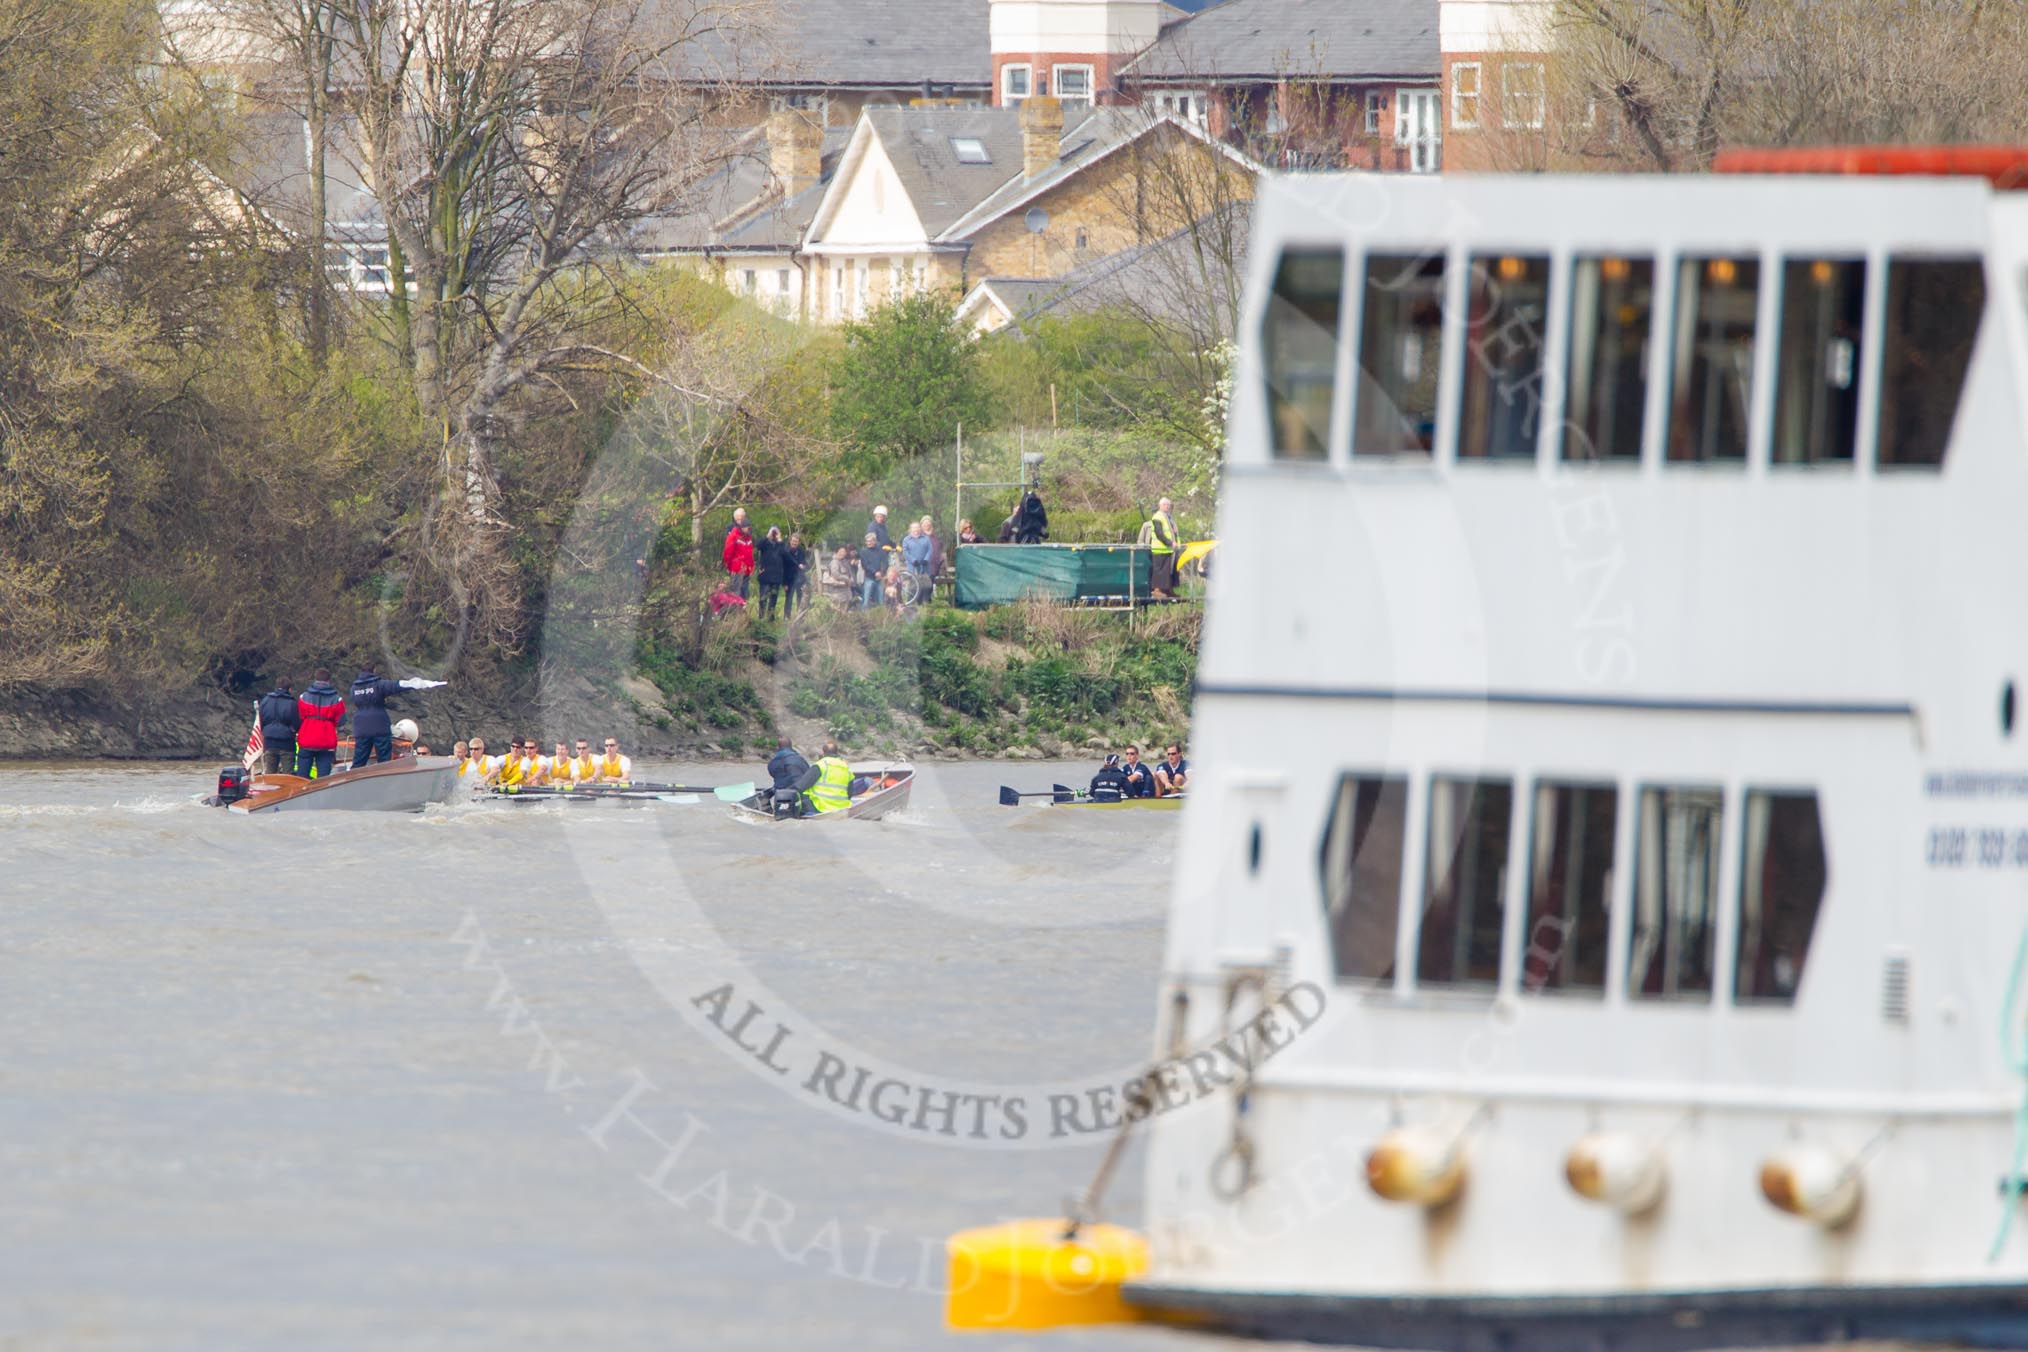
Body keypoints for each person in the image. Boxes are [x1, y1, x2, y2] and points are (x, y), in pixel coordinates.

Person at [349, 663, 407, 767]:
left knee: (359, 758)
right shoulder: (379, 684)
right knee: (384, 759)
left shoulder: (354, 688)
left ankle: (354, 778)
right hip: (379, 725)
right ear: (374, 670)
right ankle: (384, 780)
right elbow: (396, 686)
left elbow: (356, 701)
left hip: (361, 726)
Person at [295, 669, 344, 779]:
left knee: (301, 777)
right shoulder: (336, 699)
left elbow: (299, 717)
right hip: (326, 740)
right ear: (329, 680)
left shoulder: (304, 697)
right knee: (323, 779)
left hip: (307, 738)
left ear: (315, 679)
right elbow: (341, 720)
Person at [257, 677, 300, 775]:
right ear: (289, 689)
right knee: (287, 775)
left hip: (269, 741)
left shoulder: (266, 700)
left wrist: (265, 730)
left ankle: (269, 790)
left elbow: (261, 719)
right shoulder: (292, 703)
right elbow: (297, 722)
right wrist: (293, 730)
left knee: (270, 773)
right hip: (287, 742)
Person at [803, 739, 853, 815]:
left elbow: (802, 785)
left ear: (823, 753)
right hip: (842, 807)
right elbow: (850, 792)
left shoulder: (820, 765)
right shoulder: (846, 767)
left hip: (821, 808)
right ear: (837, 752)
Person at [1148, 496, 1180, 599]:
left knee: (1169, 572)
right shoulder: (1158, 516)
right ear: (1160, 506)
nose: (1167, 507)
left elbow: (1173, 532)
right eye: (1165, 505)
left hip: (1170, 550)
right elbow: (1159, 533)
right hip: (1160, 548)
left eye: (1168, 505)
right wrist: (1169, 543)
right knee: (1159, 571)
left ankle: (1168, 590)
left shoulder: (1169, 517)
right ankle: (1157, 590)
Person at [756, 526, 790, 620]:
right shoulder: (765, 543)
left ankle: (771, 618)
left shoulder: (780, 544)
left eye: (776, 533)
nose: (774, 534)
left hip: (776, 576)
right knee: (763, 597)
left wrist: (779, 539)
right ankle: (761, 617)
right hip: (765, 575)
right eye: (773, 532)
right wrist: (768, 536)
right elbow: (758, 546)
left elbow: (785, 554)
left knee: (773, 598)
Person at [722, 511, 756, 600]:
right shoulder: (734, 536)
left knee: (745, 592)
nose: (749, 529)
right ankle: (734, 611)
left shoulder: (748, 537)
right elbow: (728, 552)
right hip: (737, 568)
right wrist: (729, 566)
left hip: (746, 569)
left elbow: (750, 553)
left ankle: (742, 611)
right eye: (747, 528)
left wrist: (751, 566)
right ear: (742, 527)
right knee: (736, 592)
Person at [901, 520, 932, 598]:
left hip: (924, 565)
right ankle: (911, 600)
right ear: (910, 529)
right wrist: (913, 560)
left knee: (926, 583)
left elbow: (930, 550)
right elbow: (905, 552)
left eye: (918, 527)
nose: (916, 530)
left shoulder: (926, 538)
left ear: (920, 529)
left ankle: (925, 601)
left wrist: (926, 559)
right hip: (913, 566)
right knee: (913, 584)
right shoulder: (906, 540)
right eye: (914, 528)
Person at [857, 533, 886, 610]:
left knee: (881, 600)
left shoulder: (880, 551)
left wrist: (881, 572)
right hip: (869, 578)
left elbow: (885, 562)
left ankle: (882, 616)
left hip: (879, 579)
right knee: (866, 600)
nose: (869, 543)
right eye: (867, 541)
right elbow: (865, 565)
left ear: (875, 541)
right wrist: (875, 572)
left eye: (870, 541)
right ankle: (863, 616)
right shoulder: (863, 552)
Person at [786, 532, 811, 614]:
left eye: (796, 541)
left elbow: (806, 564)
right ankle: (787, 616)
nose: (794, 543)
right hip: (789, 578)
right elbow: (783, 567)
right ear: (790, 541)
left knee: (799, 597)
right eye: (793, 541)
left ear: (798, 542)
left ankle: (799, 615)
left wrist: (803, 566)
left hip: (799, 578)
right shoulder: (786, 550)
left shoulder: (801, 551)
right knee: (789, 598)